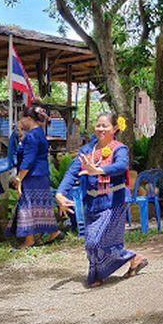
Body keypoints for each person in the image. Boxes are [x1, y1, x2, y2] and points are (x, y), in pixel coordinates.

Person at [56, 113, 148, 287]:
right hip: (92, 202)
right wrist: (60, 193)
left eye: (105, 126)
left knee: (96, 241)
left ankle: (125, 260)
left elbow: (121, 166)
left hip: (114, 200)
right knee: (91, 244)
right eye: (98, 125)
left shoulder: (119, 148)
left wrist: (99, 170)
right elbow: (72, 172)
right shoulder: (86, 151)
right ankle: (105, 271)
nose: (101, 129)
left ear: (114, 128)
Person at [7, 107, 63, 248]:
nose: (20, 122)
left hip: (32, 175)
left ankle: (29, 240)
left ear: (29, 119)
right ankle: (54, 233)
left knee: (27, 206)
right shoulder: (37, 133)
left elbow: (28, 159)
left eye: (21, 119)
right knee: (41, 204)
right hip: (40, 174)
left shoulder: (32, 136)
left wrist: (19, 178)